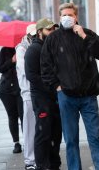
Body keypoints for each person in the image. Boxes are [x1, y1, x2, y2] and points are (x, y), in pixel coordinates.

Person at [40, 3, 99, 170]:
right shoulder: (53, 39)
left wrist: (84, 36)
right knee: (71, 139)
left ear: (76, 16)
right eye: (63, 15)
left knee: (95, 137)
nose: (67, 18)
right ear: (59, 17)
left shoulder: (87, 34)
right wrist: (56, 86)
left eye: (70, 15)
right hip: (66, 96)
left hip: (88, 96)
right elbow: (45, 65)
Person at [25, 18, 62, 170]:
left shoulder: (51, 47)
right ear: (40, 32)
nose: (52, 32)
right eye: (49, 30)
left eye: (54, 29)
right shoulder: (33, 50)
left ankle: (54, 164)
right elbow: (32, 76)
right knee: (43, 133)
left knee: (56, 133)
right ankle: (42, 165)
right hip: (42, 99)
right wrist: (52, 86)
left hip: (54, 98)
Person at [15, 24, 37, 169]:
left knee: (40, 128)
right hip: (28, 93)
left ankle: (38, 157)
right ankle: (30, 160)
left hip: (38, 92)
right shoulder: (22, 49)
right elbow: (26, 70)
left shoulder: (34, 47)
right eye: (33, 35)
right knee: (29, 128)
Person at [0, 46, 23, 154]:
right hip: (6, 89)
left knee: (24, 115)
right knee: (12, 116)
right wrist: (12, 61)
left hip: (21, 88)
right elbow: (0, 68)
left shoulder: (24, 48)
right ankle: (16, 143)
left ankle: (29, 141)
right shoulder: (5, 50)